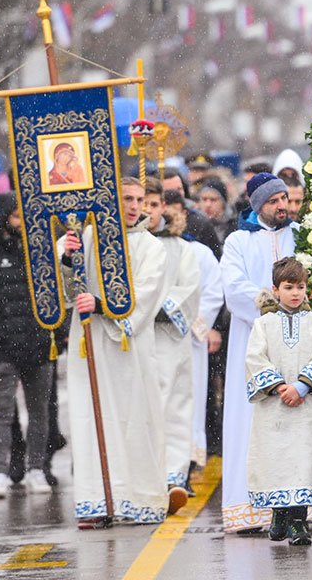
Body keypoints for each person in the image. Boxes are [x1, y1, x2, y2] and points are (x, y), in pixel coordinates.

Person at [62, 176, 170, 527]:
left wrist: (102, 304)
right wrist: (68, 257)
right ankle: (97, 500)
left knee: (136, 419)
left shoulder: (151, 246)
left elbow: (147, 295)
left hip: (130, 345)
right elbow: (64, 286)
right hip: (89, 342)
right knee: (93, 421)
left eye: (140, 199)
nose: (135, 206)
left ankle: (139, 499)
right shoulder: (87, 237)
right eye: (127, 198)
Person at [219, 172, 296, 532]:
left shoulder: (303, 235)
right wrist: (274, 305)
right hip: (252, 344)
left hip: (297, 343)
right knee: (250, 422)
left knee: (295, 423)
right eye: (273, 201)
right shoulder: (238, 241)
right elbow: (233, 289)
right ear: (258, 206)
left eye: (284, 199)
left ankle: (298, 510)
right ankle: (250, 509)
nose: (282, 206)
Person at [0, 193, 54, 498]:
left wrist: (52, 330)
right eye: (16, 217)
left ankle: (37, 468)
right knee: (2, 412)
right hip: (3, 350)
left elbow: (57, 295)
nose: (22, 224)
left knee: (39, 412)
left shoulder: (43, 253)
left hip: (38, 345)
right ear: (5, 218)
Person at [245, 257, 312, 547]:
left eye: (300, 287)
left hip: (306, 408)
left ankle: (299, 521)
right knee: (276, 460)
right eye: (289, 287)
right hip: (274, 410)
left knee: (304, 460)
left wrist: (301, 386)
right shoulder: (263, 325)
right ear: (276, 289)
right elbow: (254, 358)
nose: (296, 293)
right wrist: (279, 387)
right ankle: (278, 514)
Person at [144, 181, 203, 514]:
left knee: (175, 405)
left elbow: (189, 288)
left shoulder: (181, 248)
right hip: (137, 337)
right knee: (144, 407)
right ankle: (145, 476)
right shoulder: (128, 245)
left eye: (155, 204)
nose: (150, 211)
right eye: (145, 204)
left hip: (168, 336)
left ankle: (173, 476)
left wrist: (152, 307)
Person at [163, 193, 224, 490]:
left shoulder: (198, 252)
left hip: (188, 339)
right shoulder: (149, 248)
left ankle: (182, 471)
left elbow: (213, 291)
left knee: (188, 403)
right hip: (153, 341)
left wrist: (191, 321)